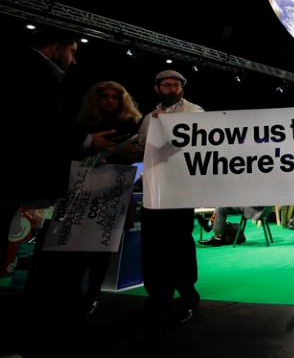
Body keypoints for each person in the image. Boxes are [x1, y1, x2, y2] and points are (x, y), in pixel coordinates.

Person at [0, 28, 118, 356]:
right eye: (72, 51)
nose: (74, 59)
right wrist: (86, 143)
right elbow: (41, 127)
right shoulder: (38, 75)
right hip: (22, 182)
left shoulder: (18, 68)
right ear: (55, 48)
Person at [67, 80, 144, 318]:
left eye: (114, 97)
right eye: (105, 97)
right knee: (75, 245)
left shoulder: (130, 125)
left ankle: (93, 294)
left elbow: (135, 157)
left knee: (103, 245)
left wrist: (127, 156)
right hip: (82, 188)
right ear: (96, 99)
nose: (109, 101)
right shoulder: (81, 125)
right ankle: (73, 293)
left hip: (114, 188)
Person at [137, 70, 203, 323]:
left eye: (176, 85)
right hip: (153, 190)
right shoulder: (148, 118)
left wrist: (164, 124)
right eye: (166, 85)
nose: (172, 89)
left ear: (182, 89)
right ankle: (158, 296)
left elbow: (191, 140)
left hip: (180, 189)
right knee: (153, 246)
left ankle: (187, 294)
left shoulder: (194, 111)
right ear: (157, 88)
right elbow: (143, 147)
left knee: (180, 244)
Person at [197, 206, 266, 246]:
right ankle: (212, 230)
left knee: (221, 206)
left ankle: (209, 225)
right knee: (221, 207)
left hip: (252, 208)